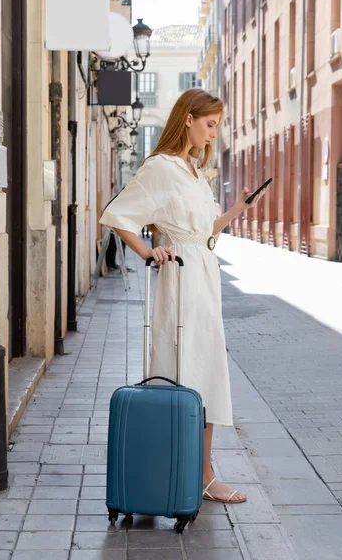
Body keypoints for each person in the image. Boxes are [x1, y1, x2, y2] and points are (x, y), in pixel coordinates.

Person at [99, 89, 267, 504]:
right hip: (181, 281)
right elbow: (118, 215)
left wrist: (236, 210)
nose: (213, 135)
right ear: (188, 118)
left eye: (217, 127)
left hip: (205, 278)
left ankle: (202, 473)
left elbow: (205, 230)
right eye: (210, 125)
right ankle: (191, 473)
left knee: (206, 370)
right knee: (183, 370)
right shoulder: (161, 168)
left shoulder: (193, 171)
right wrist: (147, 250)